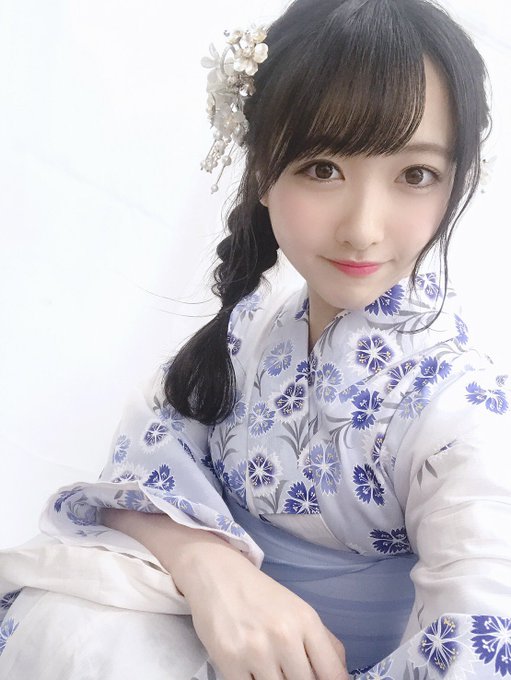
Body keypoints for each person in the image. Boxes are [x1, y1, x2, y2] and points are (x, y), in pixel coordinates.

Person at [0, 0, 509, 678]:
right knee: (79, 630)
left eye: (415, 175)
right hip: (198, 637)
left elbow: (479, 643)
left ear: (457, 183)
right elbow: (142, 465)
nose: (363, 228)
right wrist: (209, 565)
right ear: (263, 170)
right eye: (322, 168)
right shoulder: (247, 330)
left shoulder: (462, 411)